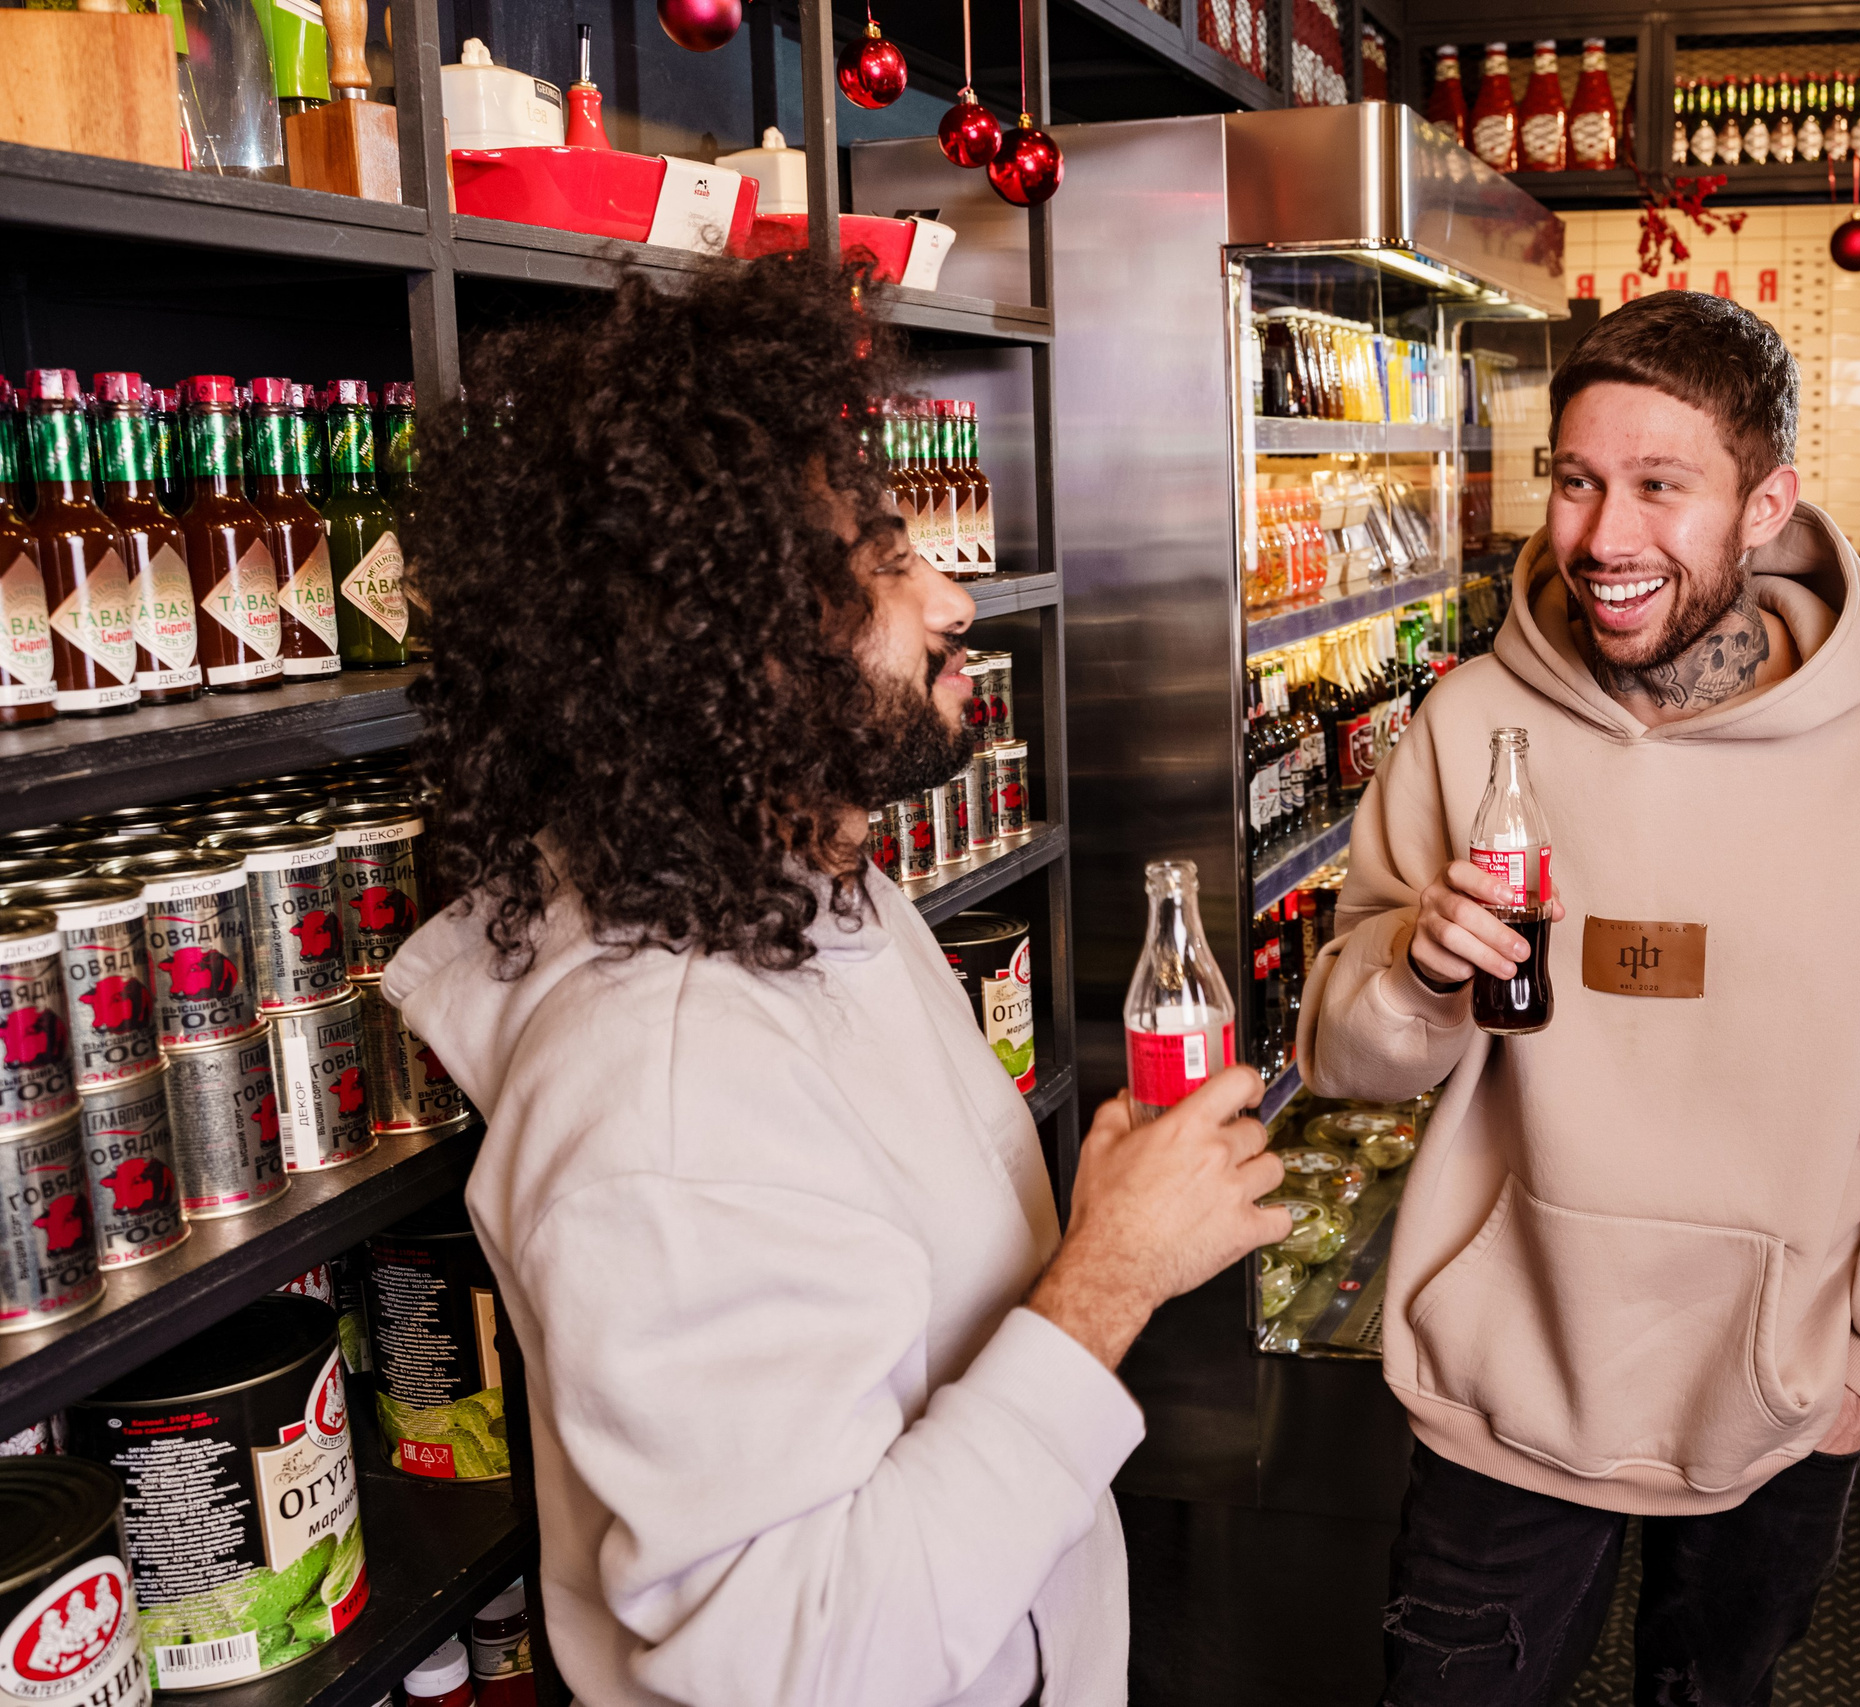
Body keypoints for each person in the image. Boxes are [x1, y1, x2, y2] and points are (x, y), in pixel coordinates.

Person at [384, 258, 1289, 1707]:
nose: (954, 599)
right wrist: (1108, 1278)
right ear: (730, 632)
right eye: (885, 559)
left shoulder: (822, 898)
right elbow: (797, 1662)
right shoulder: (659, 1091)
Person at [1299, 290, 1860, 1707]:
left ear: (1765, 502)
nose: (1605, 538)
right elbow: (1347, 1055)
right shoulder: (1468, 726)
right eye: (1577, 483)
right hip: (1506, 1396)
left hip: (1781, 1404)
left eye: (1661, 488)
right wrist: (1416, 974)